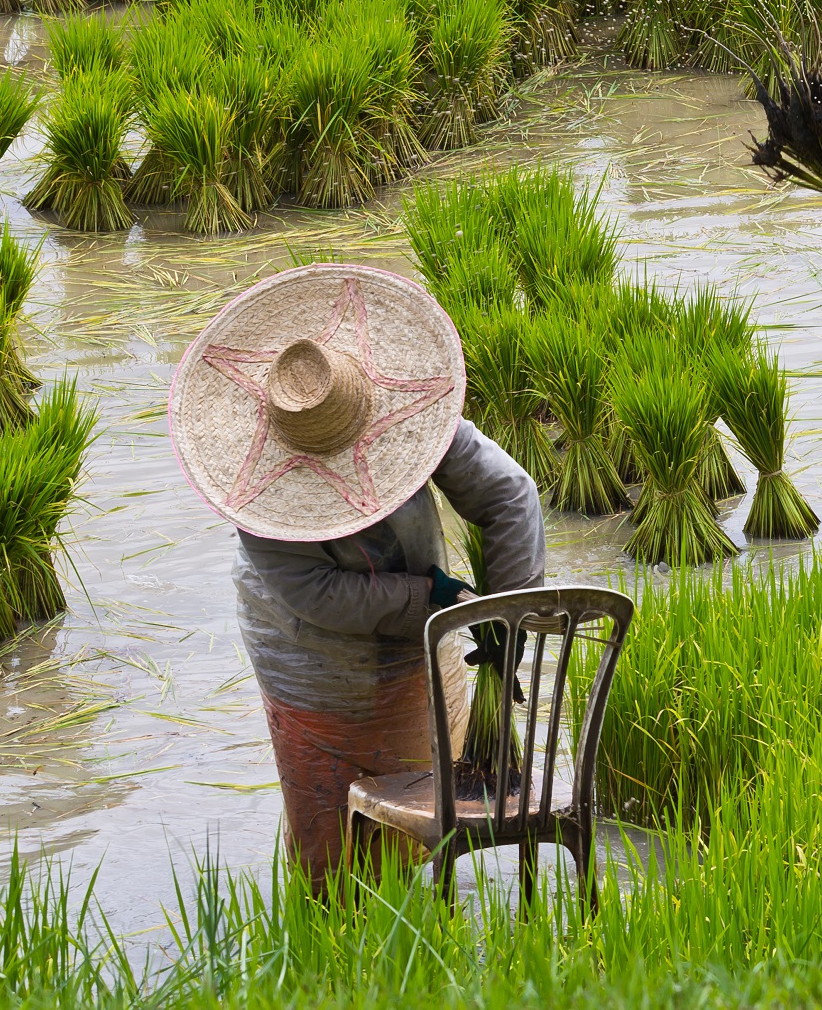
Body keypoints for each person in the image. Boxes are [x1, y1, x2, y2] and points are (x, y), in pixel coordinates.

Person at [168, 263, 544, 881]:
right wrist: (430, 597)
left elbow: (510, 496)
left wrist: (504, 612)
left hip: (426, 625)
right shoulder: (258, 495)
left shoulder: (409, 418)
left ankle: (411, 907)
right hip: (311, 650)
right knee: (335, 833)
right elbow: (315, 593)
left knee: (425, 794)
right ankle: (333, 917)